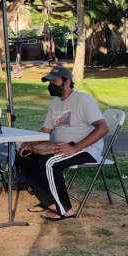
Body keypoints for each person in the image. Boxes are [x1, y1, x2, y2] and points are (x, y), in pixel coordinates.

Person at [16, 65, 108, 220]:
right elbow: (46, 132)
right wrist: (28, 144)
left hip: (85, 148)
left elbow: (103, 128)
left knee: (49, 163)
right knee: (24, 156)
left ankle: (65, 210)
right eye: (49, 82)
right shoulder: (56, 103)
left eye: (54, 81)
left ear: (67, 82)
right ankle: (49, 201)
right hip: (59, 147)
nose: (51, 85)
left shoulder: (83, 99)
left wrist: (74, 148)